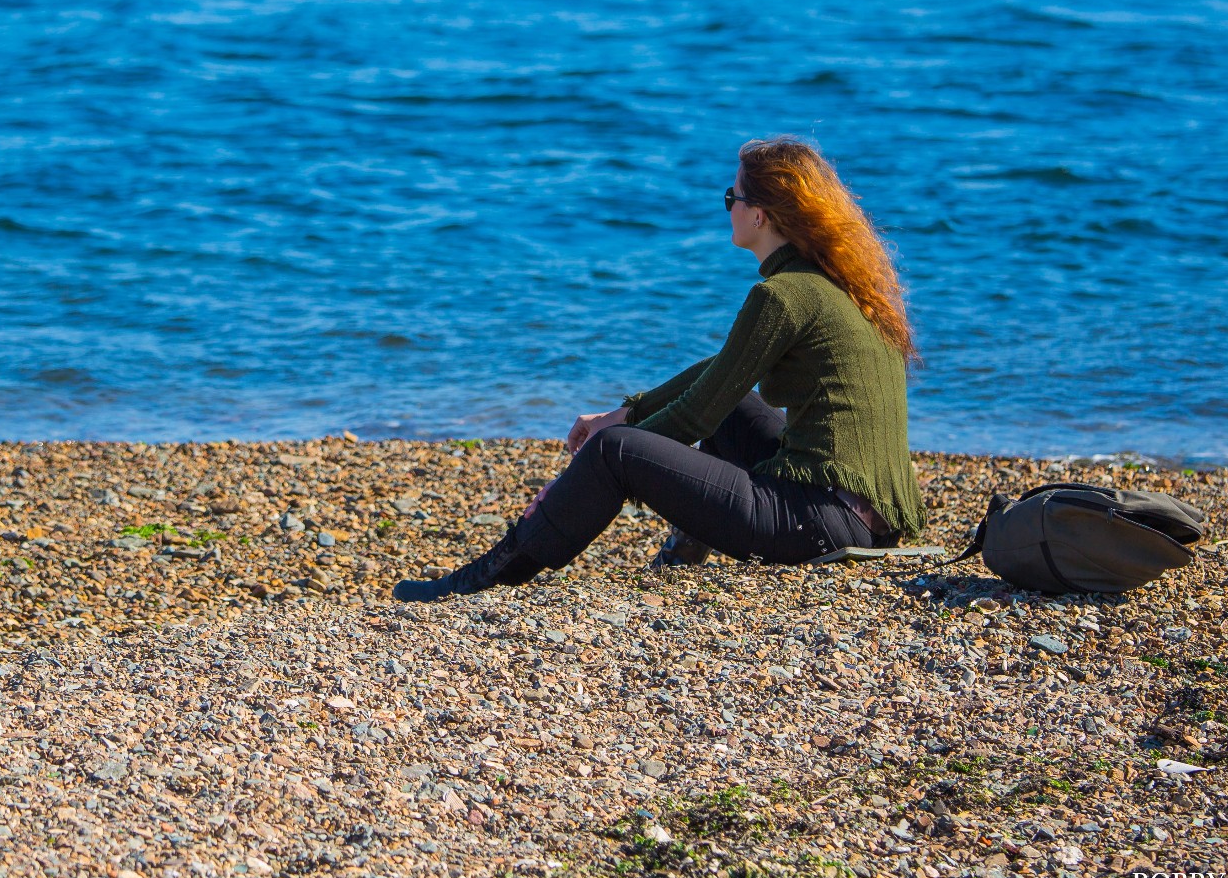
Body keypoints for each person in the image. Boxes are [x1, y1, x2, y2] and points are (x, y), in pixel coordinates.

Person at [394, 135, 925, 603]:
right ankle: (682, 554)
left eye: (731, 198)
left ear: (760, 214)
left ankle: (492, 574)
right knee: (727, 408)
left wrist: (588, 471)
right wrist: (628, 410)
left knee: (614, 453)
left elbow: (693, 418)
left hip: (816, 524)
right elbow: (720, 375)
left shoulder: (783, 296)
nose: (728, 208)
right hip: (869, 519)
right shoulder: (840, 287)